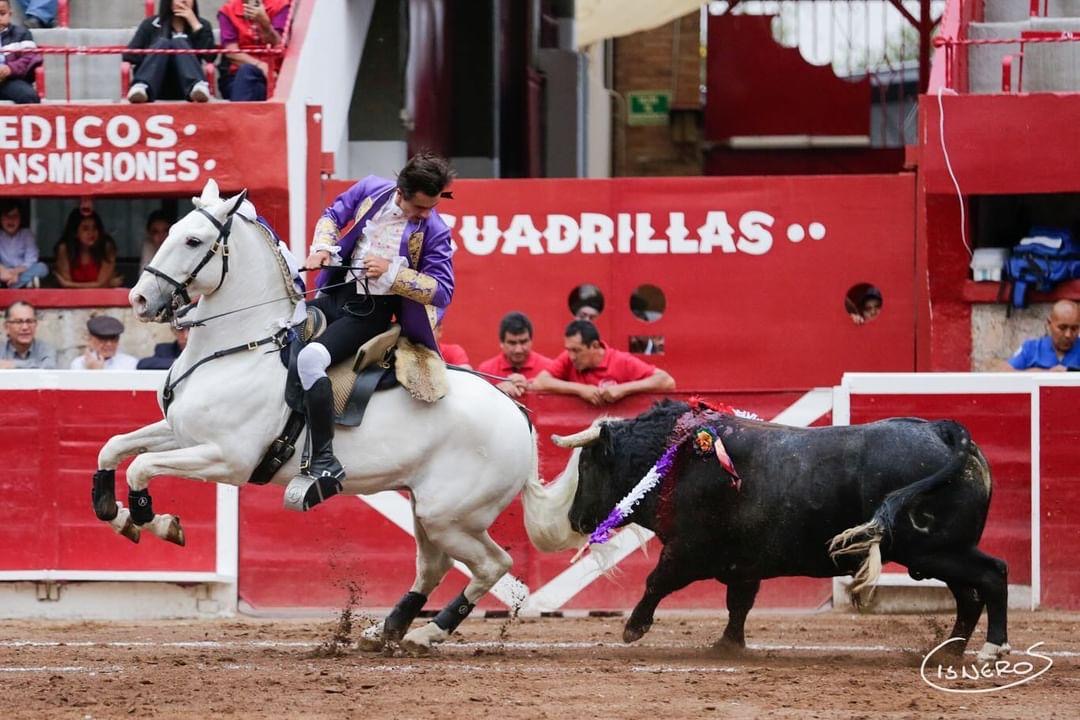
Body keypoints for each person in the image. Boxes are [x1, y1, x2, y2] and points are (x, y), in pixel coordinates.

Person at [292, 152, 455, 508]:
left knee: (310, 360)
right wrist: (321, 249)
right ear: (400, 191)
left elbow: (442, 290)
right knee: (283, 332)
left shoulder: (436, 230)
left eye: (431, 207)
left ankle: (323, 461)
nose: (426, 214)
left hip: (370, 313)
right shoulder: (371, 189)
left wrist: (392, 272)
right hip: (334, 293)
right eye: (420, 207)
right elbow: (333, 214)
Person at [532, 320, 675, 406]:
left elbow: (667, 381)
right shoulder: (568, 357)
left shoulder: (621, 360)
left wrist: (623, 389)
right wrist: (581, 389)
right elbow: (540, 382)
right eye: (568, 350)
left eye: (576, 350)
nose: (571, 356)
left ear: (594, 346)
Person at [124, 0, 215, 104]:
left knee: (179, 41)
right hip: (155, 85)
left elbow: (210, 57)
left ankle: (197, 85)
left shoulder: (202, 25)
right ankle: (142, 85)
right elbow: (129, 55)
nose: (183, 1)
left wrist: (195, 25)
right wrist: (154, 50)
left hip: (187, 88)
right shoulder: (151, 24)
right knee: (163, 43)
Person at [217, 0, 290, 102]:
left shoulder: (280, 5)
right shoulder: (228, 10)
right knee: (247, 72)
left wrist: (264, 24)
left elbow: (278, 44)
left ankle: (237, 116)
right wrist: (261, 66)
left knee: (252, 89)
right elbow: (232, 53)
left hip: (274, 76)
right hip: (238, 76)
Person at [476, 311, 552, 398]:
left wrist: (531, 386)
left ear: (531, 341)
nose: (518, 350)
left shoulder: (549, 368)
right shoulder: (485, 371)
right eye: (512, 343)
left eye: (523, 342)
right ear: (501, 343)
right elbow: (476, 402)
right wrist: (496, 391)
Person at [992, 299, 1080, 372]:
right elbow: (1003, 371)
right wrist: (1046, 374)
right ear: (1049, 324)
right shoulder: (1031, 348)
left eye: (1074, 329)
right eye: (1062, 328)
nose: (1068, 335)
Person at [53, 210, 124, 288]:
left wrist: (69, 284)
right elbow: (67, 289)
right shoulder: (65, 249)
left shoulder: (106, 248)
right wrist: (101, 285)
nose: (91, 232)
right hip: (72, 298)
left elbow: (102, 284)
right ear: (75, 233)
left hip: (102, 297)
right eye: (85, 228)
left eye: (95, 227)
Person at [0, 0, 43, 104]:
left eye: (2, 13)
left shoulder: (21, 33)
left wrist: (9, 69)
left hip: (10, 80)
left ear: (10, 14)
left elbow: (29, 58)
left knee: (28, 96)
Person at [0, 200, 47, 288]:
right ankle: (22, 284)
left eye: (15, 216)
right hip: (3, 273)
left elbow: (31, 260)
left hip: (22, 272)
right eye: (7, 216)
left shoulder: (26, 234)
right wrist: (5, 272)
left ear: (20, 218)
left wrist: (16, 272)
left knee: (42, 268)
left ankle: (12, 286)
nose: (11, 220)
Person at [70, 315, 138, 370]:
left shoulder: (130, 363)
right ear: (90, 340)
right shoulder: (79, 364)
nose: (109, 344)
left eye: (114, 339)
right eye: (103, 339)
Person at [0, 300, 55, 368]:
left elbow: (48, 369)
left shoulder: (45, 349)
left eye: (30, 321)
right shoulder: (1, 350)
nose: (25, 327)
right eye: (18, 322)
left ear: (36, 325)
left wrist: (14, 365)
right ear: (6, 327)